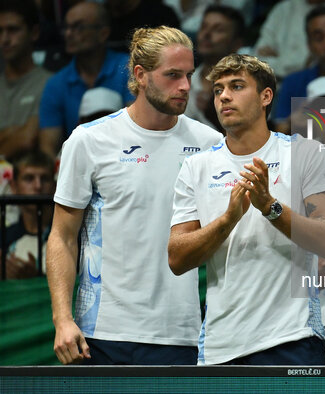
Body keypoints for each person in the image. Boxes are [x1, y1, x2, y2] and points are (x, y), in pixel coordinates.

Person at [46, 26, 222, 365]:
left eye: (189, 75)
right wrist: (62, 320)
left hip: (182, 333)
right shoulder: (89, 141)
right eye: (172, 75)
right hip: (101, 333)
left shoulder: (209, 144)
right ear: (140, 75)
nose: (185, 86)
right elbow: (62, 237)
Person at [168, 54, 325, 365]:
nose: (224, 97)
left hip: (293, 338)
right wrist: (228, 220)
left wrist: (269, 207)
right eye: (218, 89)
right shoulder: (196, 167)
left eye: (236, 86)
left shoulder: (305, 153)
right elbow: (177, 258)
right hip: (222, 345)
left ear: (265, 96)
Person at [38, 1, 134, 158]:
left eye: (78, 27)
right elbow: (47, 149)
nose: (68, 33)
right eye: (66, 27)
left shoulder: (129, 68)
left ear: (103, 33)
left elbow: (139, 127)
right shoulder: (56, 84)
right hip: (77, 164)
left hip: (125, 159)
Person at [0, 0, 52, 161]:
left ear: (34, 32)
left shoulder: (50, 83)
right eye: (0, 31)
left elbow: (26, 140)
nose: (4, 39)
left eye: (13, 30)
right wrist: (14, 132)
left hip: (31, 181)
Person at [184, 5, 245, 132]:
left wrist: (214, 114)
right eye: (204, 27)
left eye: (218, 30)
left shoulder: (247, 87)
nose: (206, 34)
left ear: (237, 44)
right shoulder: (183, 81)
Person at [4, 150, 55, 280]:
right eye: (29, 178)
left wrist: (34, 279)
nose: (38, 186)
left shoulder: (71, 237)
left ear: (55, 186)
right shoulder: (4, 238)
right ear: (14, 186)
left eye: (45, 179)